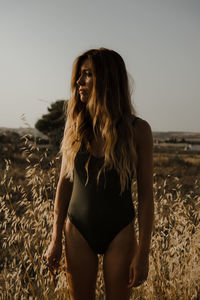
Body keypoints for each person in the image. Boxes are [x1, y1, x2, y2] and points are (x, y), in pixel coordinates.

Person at [44, 48, 154, 300]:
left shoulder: (138, 131)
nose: (78, 82)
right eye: (79, 75)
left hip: (121, 231)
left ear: (107, 80)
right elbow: (64, 183)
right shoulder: (74, 127)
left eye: (87, 75)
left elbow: (146, 197)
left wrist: (143, 254)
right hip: (77, 231)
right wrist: (55, 238)